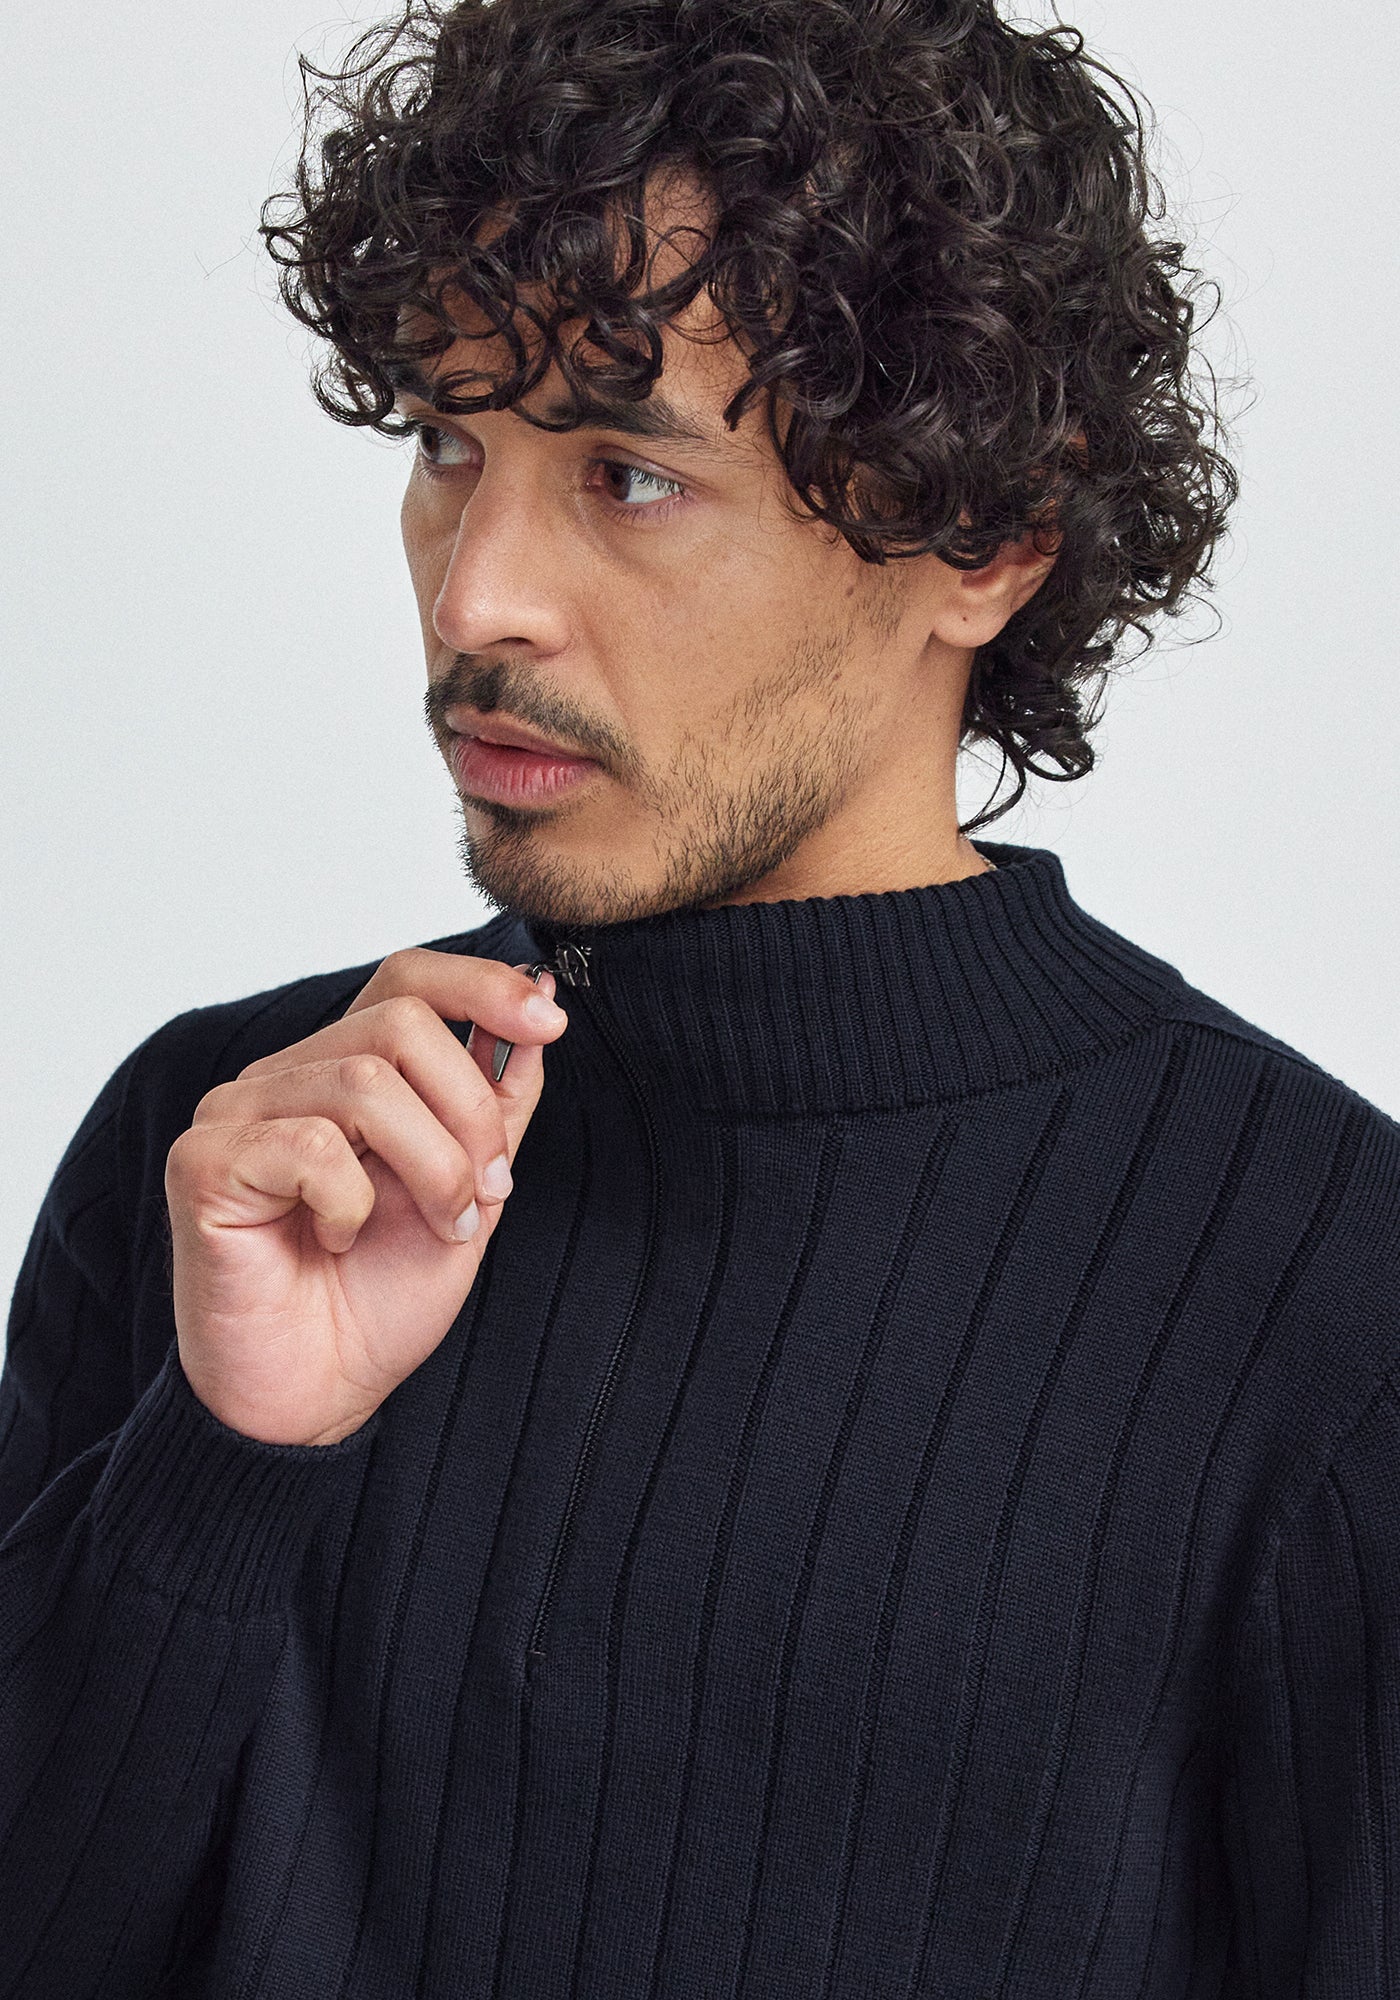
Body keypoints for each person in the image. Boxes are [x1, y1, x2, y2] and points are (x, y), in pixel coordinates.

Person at [3, 0, 1397, 1991]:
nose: (475, 595)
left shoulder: (1328, 1309)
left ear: (985, 535)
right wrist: (222, 1468)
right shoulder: (232, 1151)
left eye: (626, 475)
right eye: (447, 444)